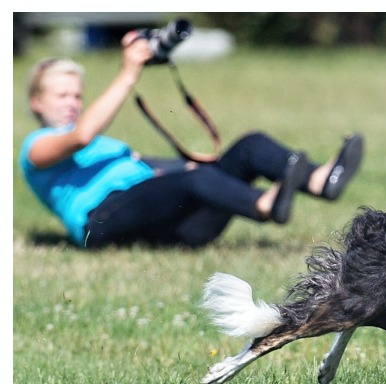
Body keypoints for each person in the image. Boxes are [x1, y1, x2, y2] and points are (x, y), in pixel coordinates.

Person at [19, 30, 363, 249]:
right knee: (196, 178)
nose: (72, 104)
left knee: (249, 146)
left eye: (77, 96)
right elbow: (81, 136)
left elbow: (149, 165)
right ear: (37, 102)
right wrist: (128, 73)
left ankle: (320, 179)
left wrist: (189, 167)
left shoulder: (103, 146)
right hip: (101, 222)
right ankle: (263, 204)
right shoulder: (34, 146)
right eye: (62, 95)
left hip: (180, 224)